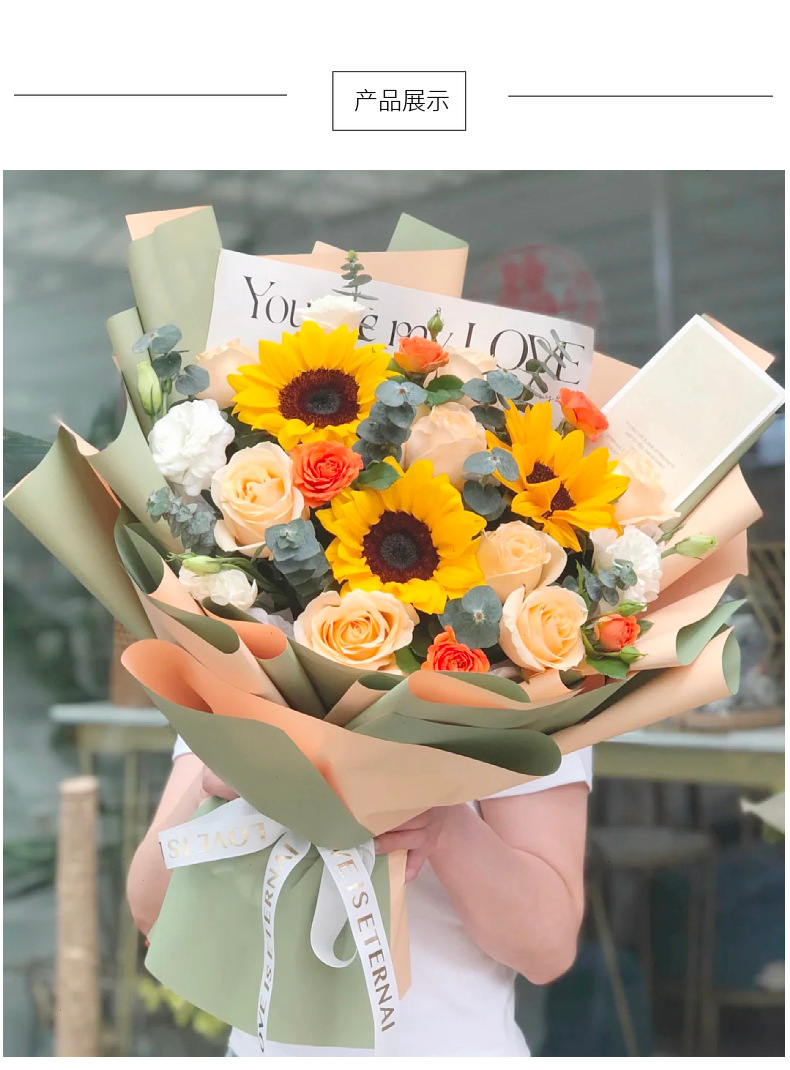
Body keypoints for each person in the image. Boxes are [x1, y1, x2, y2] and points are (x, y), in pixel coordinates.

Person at [128, 737, 591, 1057]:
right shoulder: (246, 644)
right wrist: (216, 779)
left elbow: (547, 949)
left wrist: (445, 825)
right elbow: (151, 907)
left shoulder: (525, 660)